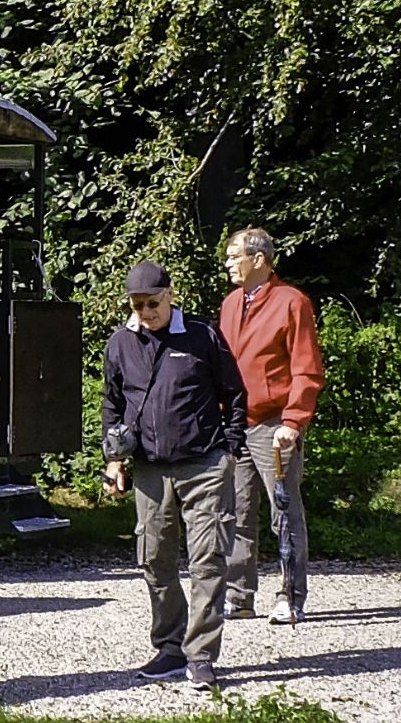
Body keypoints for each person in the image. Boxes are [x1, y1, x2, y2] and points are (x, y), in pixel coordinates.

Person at [102, 261, 248, 691]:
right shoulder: (120, 343)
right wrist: (114, 460)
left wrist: (232, 449)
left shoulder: (202, 336)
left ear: (170, 295)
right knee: (155, 559)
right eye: (137, 304)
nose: (145, 312)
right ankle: (169, 647)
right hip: (149, 469)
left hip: (203, 464)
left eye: (152, 303)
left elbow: (234, 393)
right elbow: (112, 405)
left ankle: (201, 656)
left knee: (207, 559)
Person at [216, 228, 327, 625]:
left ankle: (291, 595)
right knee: (236, 512)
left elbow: (306, 368)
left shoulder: (291, 302)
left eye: (234, 257)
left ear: (259, 259)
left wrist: (294, 420)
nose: (228, 264)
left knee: (284, 509)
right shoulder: (230, 305)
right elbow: (224, 365)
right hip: (235, 422)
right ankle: (239, 596)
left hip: (275, 422)